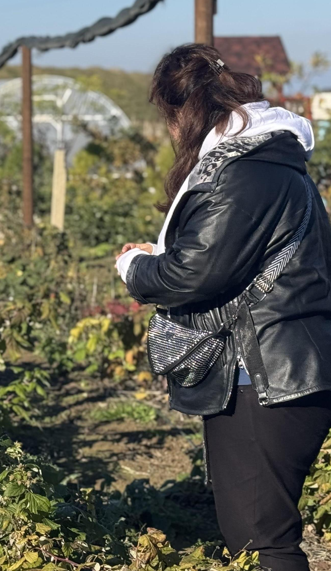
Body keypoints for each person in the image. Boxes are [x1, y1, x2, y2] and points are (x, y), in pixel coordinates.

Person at [115, 44, 331, 571]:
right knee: (265, 533)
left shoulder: (243, 171)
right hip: (287, 366)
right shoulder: (275, 162)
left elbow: (195, 272)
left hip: (264, 377)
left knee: (262, 543)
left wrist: (136, 270)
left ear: (180, 112)